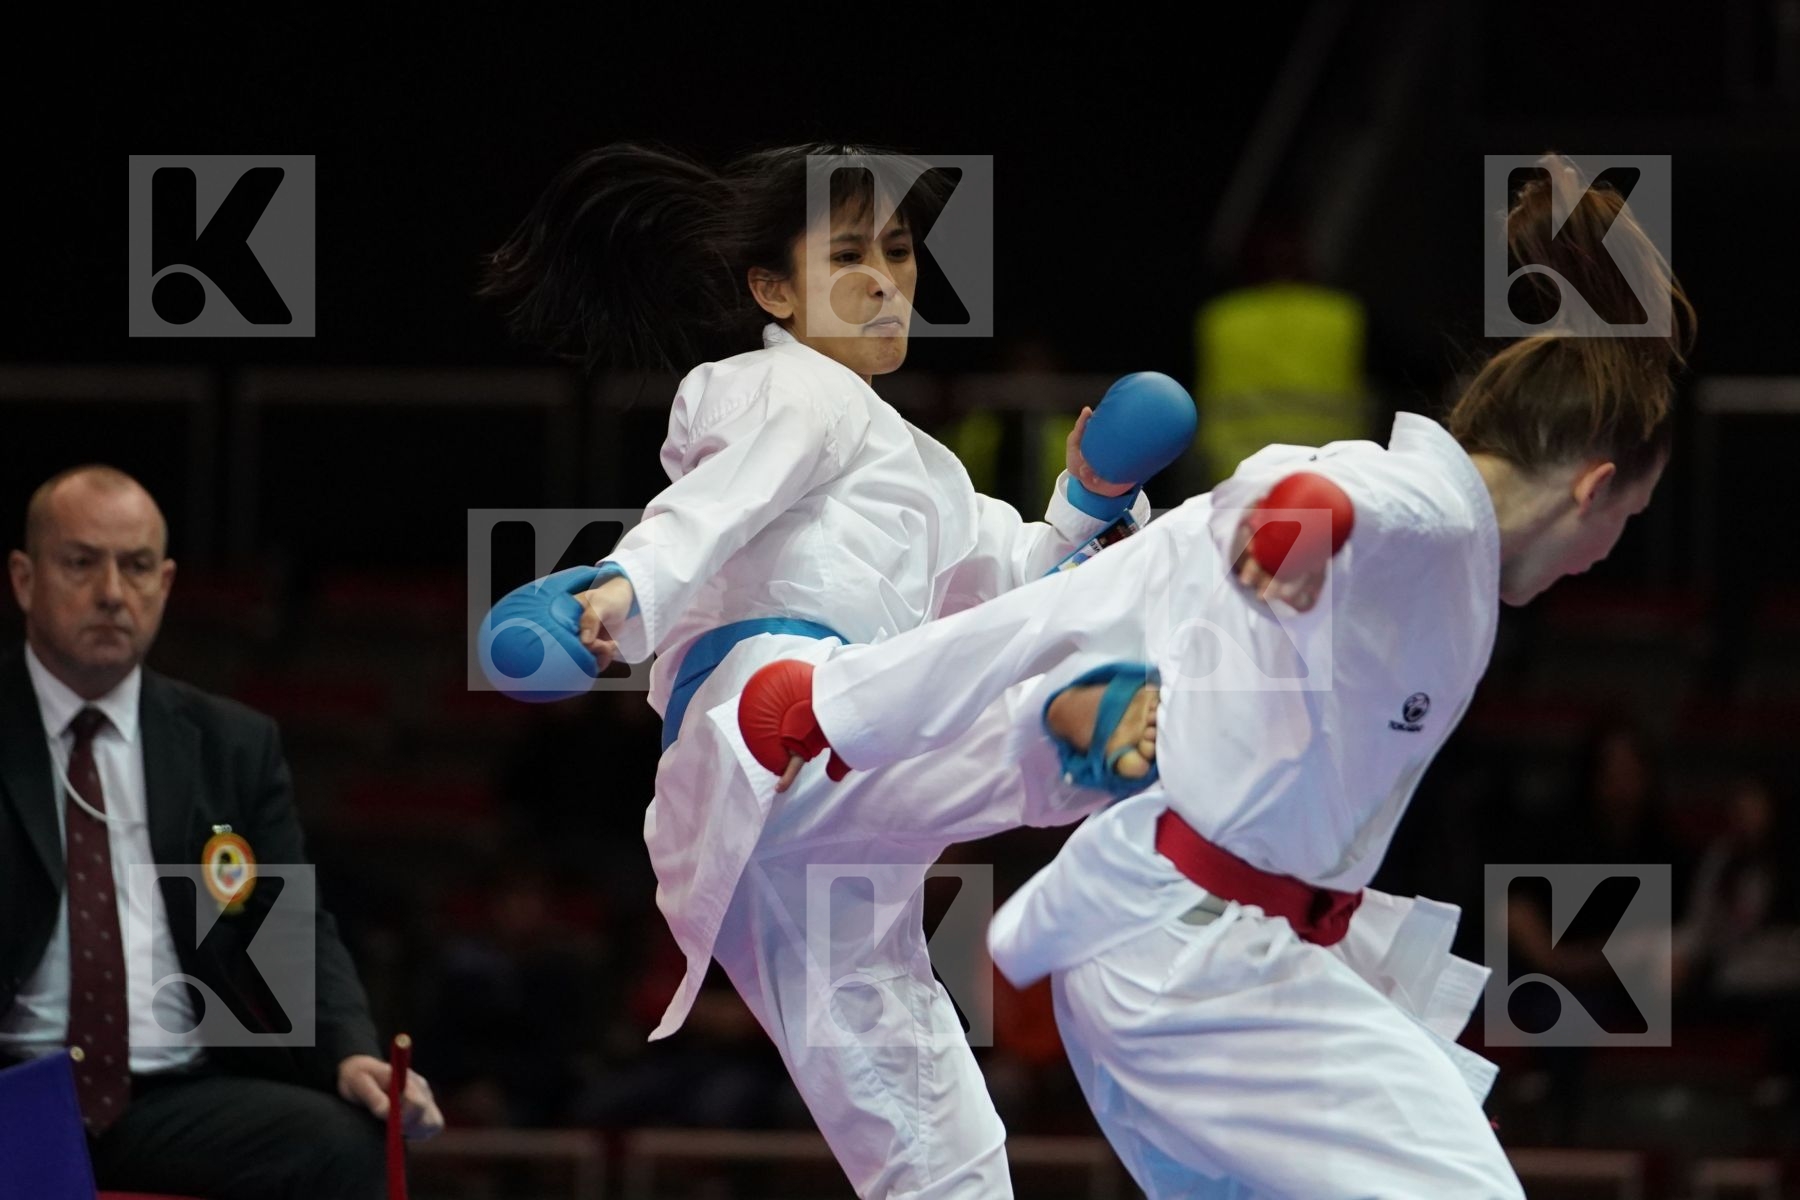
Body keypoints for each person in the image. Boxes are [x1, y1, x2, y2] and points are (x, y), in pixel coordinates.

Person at [752, 154, 1694, 1197]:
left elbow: (1068, 606)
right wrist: (1301, 525)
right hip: (1201, 968)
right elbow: (1321, 500)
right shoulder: (1417, 509)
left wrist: (839, 708)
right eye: (1624, 526)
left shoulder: (1429, 540)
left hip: (1172, 946)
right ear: (1595, 487)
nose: (1603, 558)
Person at [480, 142, 1155, 1198]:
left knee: (938, 1143)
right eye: (848, 253)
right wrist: (616, 589)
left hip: (822, 849)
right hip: (773, 709)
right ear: (772, 289)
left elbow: (1013, 576)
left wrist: (1087, 500)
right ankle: (1059, 742)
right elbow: (723, 502)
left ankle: (1059, 737)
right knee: (937, 692)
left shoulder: (930, 470)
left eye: (898, 248)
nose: (887, 276)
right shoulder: (773, 383)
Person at [0, 466, 442, 1198]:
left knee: (342, 1144)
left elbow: (286, 930)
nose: (112, 591)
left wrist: (348, 1053)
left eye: (137, 566)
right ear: (24, 579)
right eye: (81, 562)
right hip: (16, 1084)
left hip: (174, 1095)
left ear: (165, 585)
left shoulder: (229, 745)